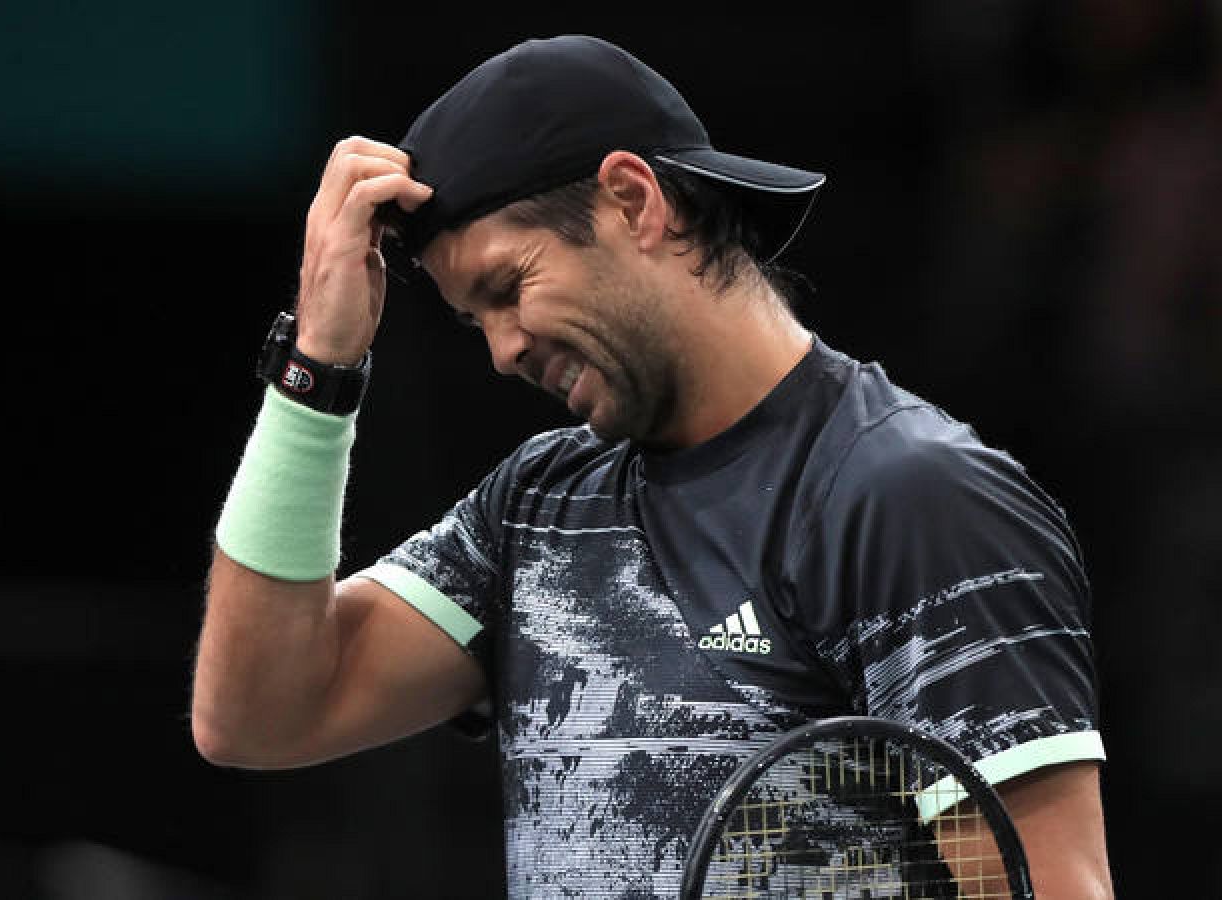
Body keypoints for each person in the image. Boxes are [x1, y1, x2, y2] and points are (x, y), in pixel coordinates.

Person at [191, 35, 1114, 899]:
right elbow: (256, 716)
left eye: (509, 288)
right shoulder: (536, 508)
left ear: (634, 200)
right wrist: (317, 370)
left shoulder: (911, 498)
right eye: (476, 320)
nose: (502, 352)